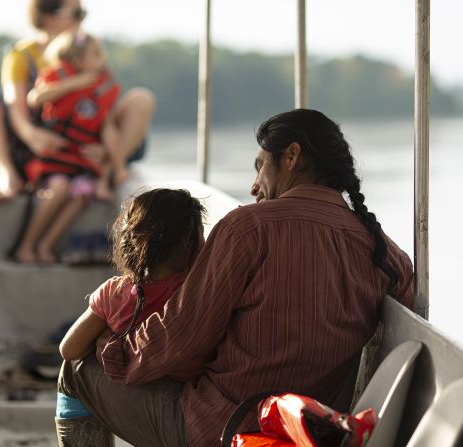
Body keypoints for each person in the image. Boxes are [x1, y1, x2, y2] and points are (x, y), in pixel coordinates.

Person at [58, 109, 415, 447]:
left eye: (260, 167)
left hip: (224, 428)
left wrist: (112, 346)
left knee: (75, 369)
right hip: (311, 430)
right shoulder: (383, 251)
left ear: (291, 156)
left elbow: (182, 338)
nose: (255, 186)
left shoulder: (249, 228)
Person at [0, 0, 155, 200]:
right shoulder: (21, 54)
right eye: (77, 13)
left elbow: (105, 110)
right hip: (37, 147)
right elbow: (16, 106)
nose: (82, 20)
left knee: (142, 99)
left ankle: (111, 169)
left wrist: (105, 150)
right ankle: (7, 173)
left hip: (88, 147)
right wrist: (32, 135)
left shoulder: (89, 50)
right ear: (48, 17)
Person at [54, 188, 206, 446]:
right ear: (190, 242)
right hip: (192, 399)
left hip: (163, 407)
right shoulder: (197, 290)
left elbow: (69, 349)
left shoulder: (116, 293)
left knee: (73, 369)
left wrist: (108, 337)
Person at [12, 32, 120, 264]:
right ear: (77, 60)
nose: (103, 59)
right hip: (53, 161)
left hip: (80, 162)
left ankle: (45, 245)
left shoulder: (102, 87)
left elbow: (108, 127)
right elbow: (35, 99)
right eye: (96, 55)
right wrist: (75, 83)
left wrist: (112, 160)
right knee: (60, 188)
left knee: (82, 193)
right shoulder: (57, 77)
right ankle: (26, 245)